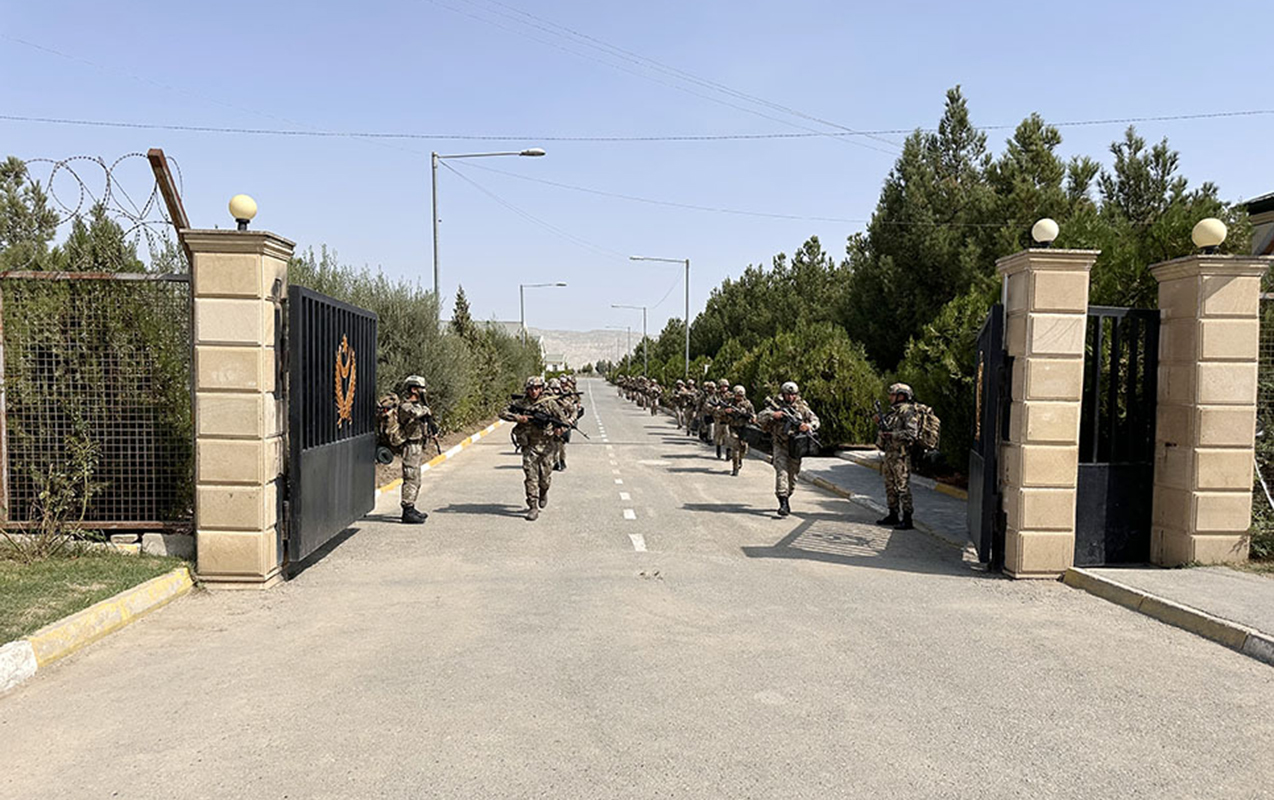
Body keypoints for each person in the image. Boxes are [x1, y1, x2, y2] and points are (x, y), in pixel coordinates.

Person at [499, 376, 568, 521]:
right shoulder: (521, 403)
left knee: (545, 479)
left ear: (541, 389)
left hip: (547, 445)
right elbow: (502, 412)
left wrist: (559, 430)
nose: (534, 391)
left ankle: (543, 492)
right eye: (531, 389)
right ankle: (533, 506)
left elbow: (563, 421)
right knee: (531, 477)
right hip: (529, 445)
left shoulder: (549, 404)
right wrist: (518, 418)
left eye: (537, 388)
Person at [756, 380, 820, 517]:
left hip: (796, 447)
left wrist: (808, 426)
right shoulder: (775, 405)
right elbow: (759, 417)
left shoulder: (801, 407)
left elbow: (815, 420)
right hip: (780, 444)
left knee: (793, 477)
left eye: (793, 395)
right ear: (783, 394)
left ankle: (787, 494)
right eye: (788, 395)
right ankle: (783, 503)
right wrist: (773, 415)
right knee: (782, 472)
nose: (790, 397)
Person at [876, 382, 920, 530]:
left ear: (902, 396)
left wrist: (892, 435)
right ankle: (893, 514)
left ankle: (907, 518)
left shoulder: (907, 411)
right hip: (890, 455)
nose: (890, 397)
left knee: (902, 487)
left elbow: (911, 434)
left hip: (901, 456)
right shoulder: (894, 412)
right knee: (890, 486)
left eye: (893, 395)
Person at [396, 375, 433, 524]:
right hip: (410, 445)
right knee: (410, 477)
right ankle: (407, 511)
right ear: (413, 389)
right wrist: (425, 410)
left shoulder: (419, 405)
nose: (424, 391)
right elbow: (414, 414)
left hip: (417, 445)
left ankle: (411, 506)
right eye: (421, 388)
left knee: (416, 478)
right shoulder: (406, 406)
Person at [723, 385, 755, 477]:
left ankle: (740, 459)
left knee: (744, 448)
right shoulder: (729, 402)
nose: (738, 397)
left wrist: (752, 418)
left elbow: (753, 414)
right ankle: (735, 468)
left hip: (744, 428)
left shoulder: (747, 404)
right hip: (733, 427)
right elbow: (720, 412)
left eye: (740, 396)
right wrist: (726, 412)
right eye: (737, 395)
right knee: (735, 448)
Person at [712, 378, 732, 459]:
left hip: (727, 419)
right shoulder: (715, 395)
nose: (724, 388)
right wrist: (715, 408)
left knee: (728, 436)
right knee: (718, 436)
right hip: (718, 418)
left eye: (726, 386)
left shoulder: (731, 396)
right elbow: (708, 404)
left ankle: (728, 453)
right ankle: (718, 450)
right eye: (722, 386)